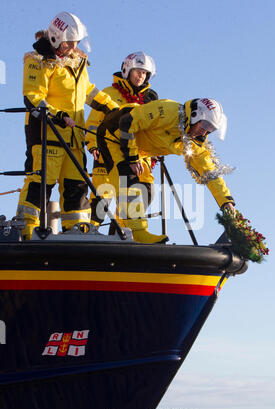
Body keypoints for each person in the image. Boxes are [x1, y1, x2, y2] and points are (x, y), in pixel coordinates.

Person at [17, 11, 119, 240]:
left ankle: (78, 231)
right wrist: (58, 115)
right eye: (69, 43)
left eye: (76, 43)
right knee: (41, 181)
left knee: (77, 184)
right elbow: (33, 97)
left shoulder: (77, 63)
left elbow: (87, 91)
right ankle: (25, 228)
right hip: (46, 133)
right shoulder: (38, 61)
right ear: (55, 39)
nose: (73, 47)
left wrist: (112, 108)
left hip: (73, 137)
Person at [97, 97, 236, 244]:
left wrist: (226, 202)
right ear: (195, 115)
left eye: (211, 129)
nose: (205, 132)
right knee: (128, 182)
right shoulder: (167, 111)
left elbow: (209, 172)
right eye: (206, 124)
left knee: (147, 189)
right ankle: (138, 233)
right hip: (113, 136)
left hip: (137, 148)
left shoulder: (194, 141)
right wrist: (131, 158)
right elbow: (127, 122)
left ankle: (123, 231)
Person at [85, 51, 158, 227]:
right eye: (138, 71)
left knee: (145, 193)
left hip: (138, 156)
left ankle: (122, 233)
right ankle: (88, 235)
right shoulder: (108, 93)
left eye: (144, 73)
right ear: (127, 70)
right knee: (102, 197)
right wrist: (93, 145)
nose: (141, 76)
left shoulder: (150, 100)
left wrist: (154, 153)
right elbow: (94, 122)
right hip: (108, 152)